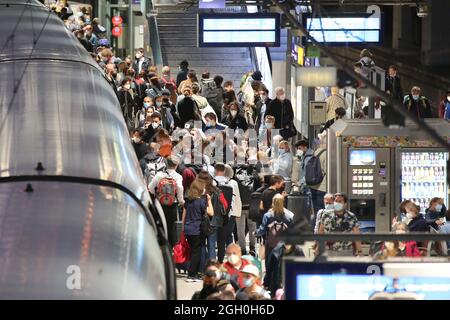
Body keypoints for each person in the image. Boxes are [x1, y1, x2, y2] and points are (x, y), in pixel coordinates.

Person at [148, 156, 184, 248]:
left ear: (166, 164)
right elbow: (180, 188)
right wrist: (181, 200)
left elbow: (150, 188)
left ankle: (160, 245)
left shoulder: (159, 175)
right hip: (173, 204)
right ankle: (170, 248)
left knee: (161, 224)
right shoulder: (178, 176)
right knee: (171, 226)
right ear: (176, 165)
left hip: (160, 204)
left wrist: (156, 194)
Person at [182, 180, 214, 282]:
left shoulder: (188, 200)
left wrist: (183, 228)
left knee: (192, 251)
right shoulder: (201, 201)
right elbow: (211, 213)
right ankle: (192, 275)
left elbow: (184, 215)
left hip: (188, 229)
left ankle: (193, 273)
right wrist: (209, 201)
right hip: (197, 230)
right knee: (196, 252)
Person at [195, 171, 227, 260]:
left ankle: (202, 266)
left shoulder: (199, 192)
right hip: (215, 221)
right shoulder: (218, 191)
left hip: (202, 221)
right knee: (212, 244)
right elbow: (225, 205)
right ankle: (212, 267)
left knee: (201, 245)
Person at [214, 163, 242, 247]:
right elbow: (237, 198)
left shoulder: (215, 181)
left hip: (218, 211)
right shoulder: (233, 183)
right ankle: (230, 252)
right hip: (231, 212)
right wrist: (238, 213)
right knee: (229, 234)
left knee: (219, 234)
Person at [308, 133, 327, 215]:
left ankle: (316, 226)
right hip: (322, 187)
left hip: (313, 184)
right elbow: (327, 171)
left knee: (317, 211)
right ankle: (320, 227)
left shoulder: (316, 152)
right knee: (322, 211)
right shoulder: (327, 154)